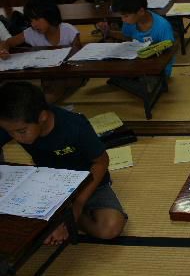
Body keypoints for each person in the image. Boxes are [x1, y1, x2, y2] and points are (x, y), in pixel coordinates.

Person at [0, 82, 127, 244]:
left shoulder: (75, 127)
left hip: (88, 182)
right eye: (10, 132)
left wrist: (77, 206)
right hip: (45, 181)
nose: (16, 138)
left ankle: (60, 221)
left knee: (111, 227)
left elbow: (101, 162)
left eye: (21, 131)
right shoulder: (15, 123)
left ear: (42, 118)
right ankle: (55, 221)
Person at [0, 0, 84, 104]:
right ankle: (47, 103)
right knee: (48, 85)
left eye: (37, 19)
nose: (33, 24)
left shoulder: (68, 30)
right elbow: (7, 42)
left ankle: (43, 105)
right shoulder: (31, 33)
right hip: (48, 75)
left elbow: (79, 58)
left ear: (49, 15)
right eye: (30, 20)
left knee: (55, 85)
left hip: (71, 73)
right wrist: (3, 50)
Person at [98, 0, 175, 77]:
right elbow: (127, 37)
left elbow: (168, 54)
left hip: (158, 70)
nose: (123, 20)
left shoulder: (162, 26)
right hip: (136, 64)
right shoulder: (129, 23)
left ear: (141, 11)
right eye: (121, 16)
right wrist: (109, 32)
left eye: (125, 16)